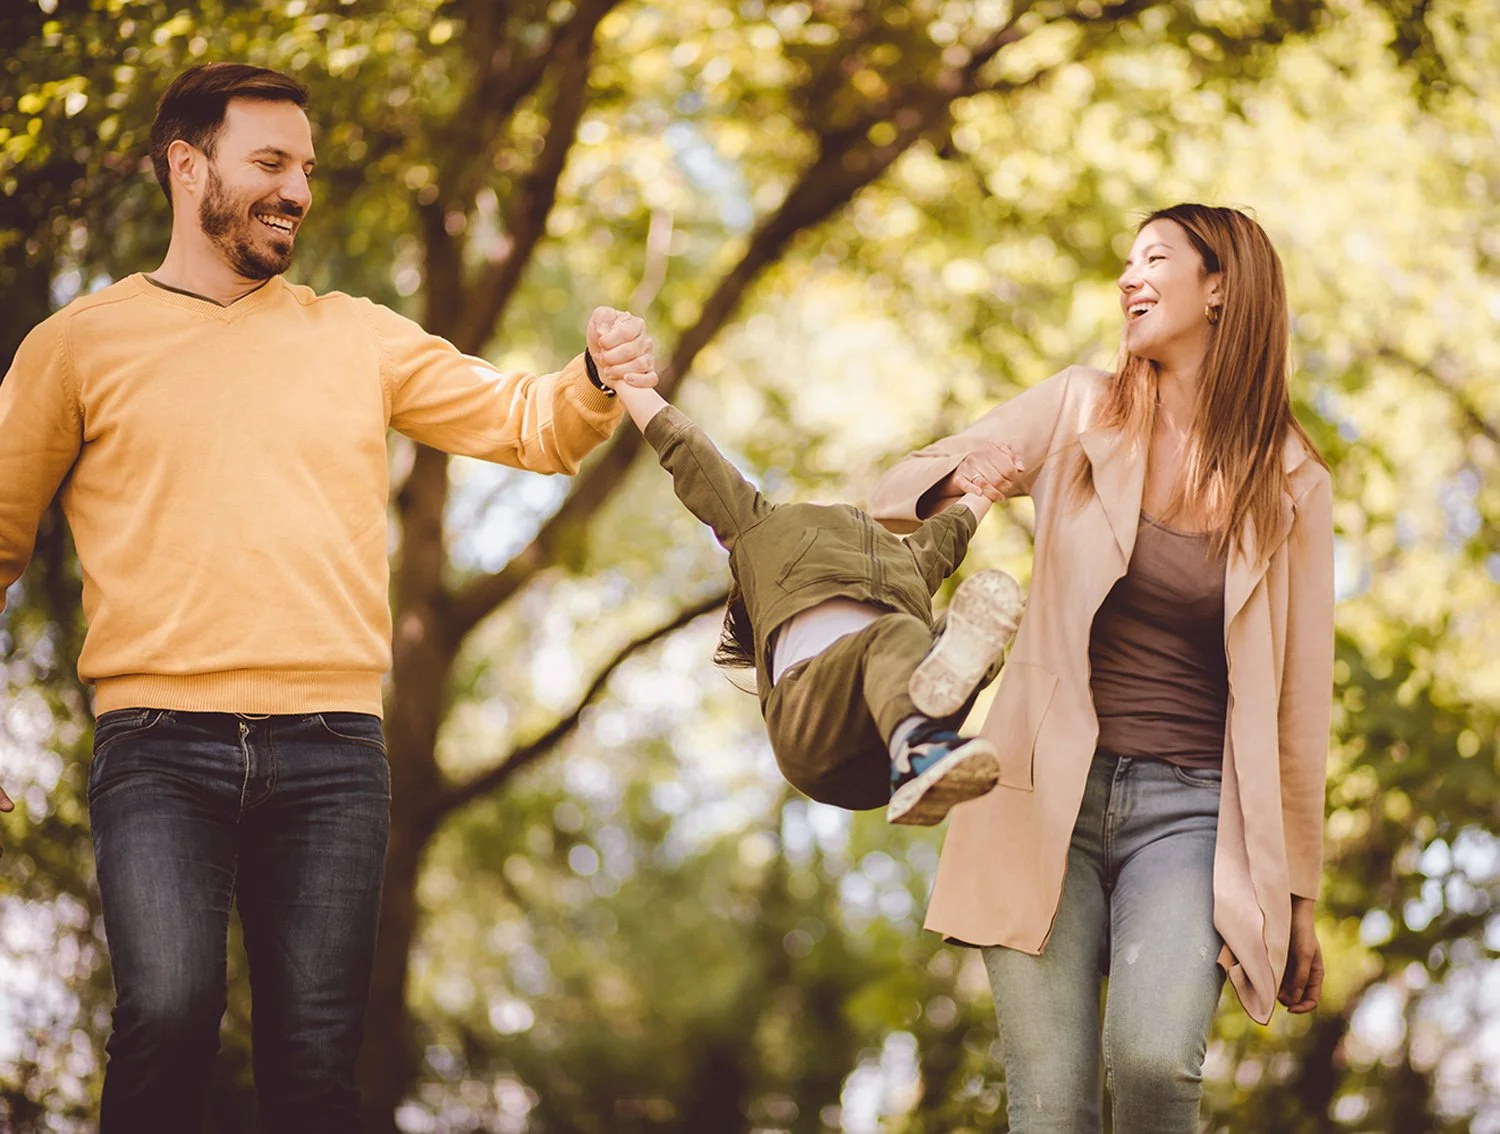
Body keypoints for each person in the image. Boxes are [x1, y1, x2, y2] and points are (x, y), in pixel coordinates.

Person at [0, 63, 655, 1131]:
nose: (297, 190)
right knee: (168, 1016)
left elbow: (527, 422)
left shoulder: (355, 336)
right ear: (186, 166)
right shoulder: (77, 345)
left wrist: (591, 375)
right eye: (270, 162)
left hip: (332, 752)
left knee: (314, 1067)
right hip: (157, 745)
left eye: (305, 168)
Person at [869, 204, 1334, 1132]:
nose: (1129, 278)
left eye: (1155, 258)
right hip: (1042, 792)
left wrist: (1299, 898)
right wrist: (963, 477)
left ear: (1220, 287)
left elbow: (1298, 705)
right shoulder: (1083, 408)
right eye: (1127, 261)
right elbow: (891, 493)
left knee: (1154, 1062)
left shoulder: (1291, 482)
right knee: (1050, 1106)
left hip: (1194, 814)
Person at [605, 344, 1024, 826]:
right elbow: (689, 454)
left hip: (877, 753)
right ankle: (920, 748)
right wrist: (625, 382)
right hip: (812, 723)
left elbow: (947, 537)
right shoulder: (760, 530)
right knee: (894, 635)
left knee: (957, 633)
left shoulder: (903, 563)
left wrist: (986, 486)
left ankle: (928, 729)